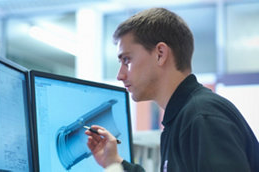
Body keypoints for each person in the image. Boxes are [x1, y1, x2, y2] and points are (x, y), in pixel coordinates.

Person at [85, 7, 259, 172]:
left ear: (160, 54)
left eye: (126, 60)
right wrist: (115, 162)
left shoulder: (202, 116)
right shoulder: (181, 119)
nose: (120, 75)